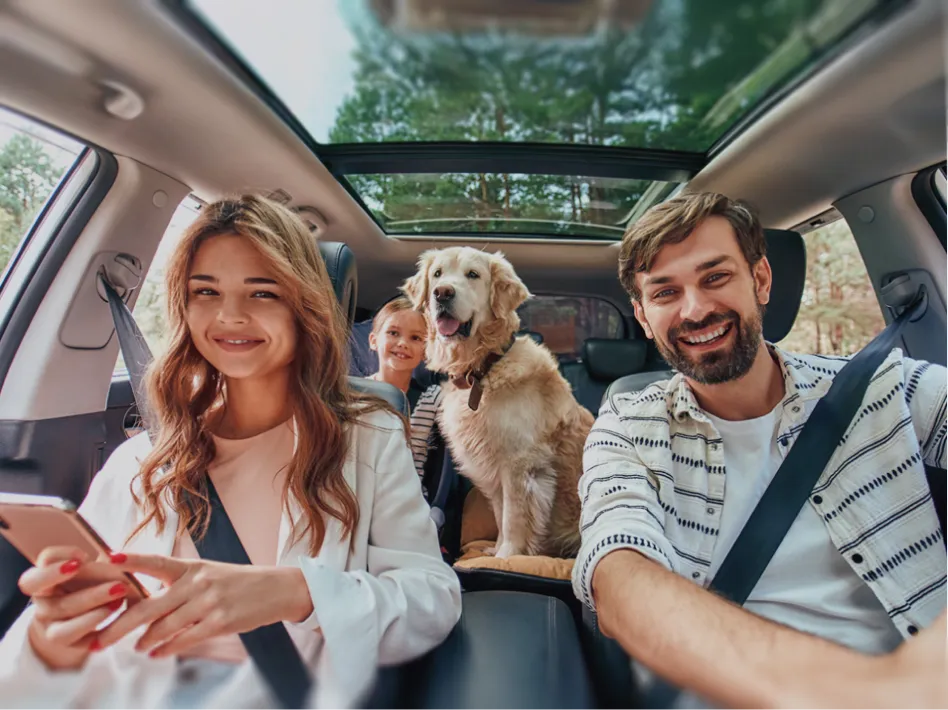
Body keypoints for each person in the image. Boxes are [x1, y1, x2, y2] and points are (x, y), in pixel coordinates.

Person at [0, 195, 462, 710]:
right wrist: (49, 645)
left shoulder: (367, 437)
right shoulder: (144, 458)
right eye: (206, 291)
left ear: (303, 303)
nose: (230, 316)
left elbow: (432, 597)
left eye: (262, 292)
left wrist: (296, 592)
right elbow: (37, 671)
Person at [573, 192, 947, 709]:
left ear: (761, 279)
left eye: (715, 277)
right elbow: (618, 573)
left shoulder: (884, 387)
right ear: (642, 314)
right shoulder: (626, 427)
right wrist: (863, 693)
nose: (695, 309)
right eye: (664, 293)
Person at [368, 297, 443, 490]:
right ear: (373, 341)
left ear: (426, 351)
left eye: (415, 338)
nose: (402, 343)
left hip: (409, 501)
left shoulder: (432, 398)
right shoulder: (351, 393)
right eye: (393, 333)